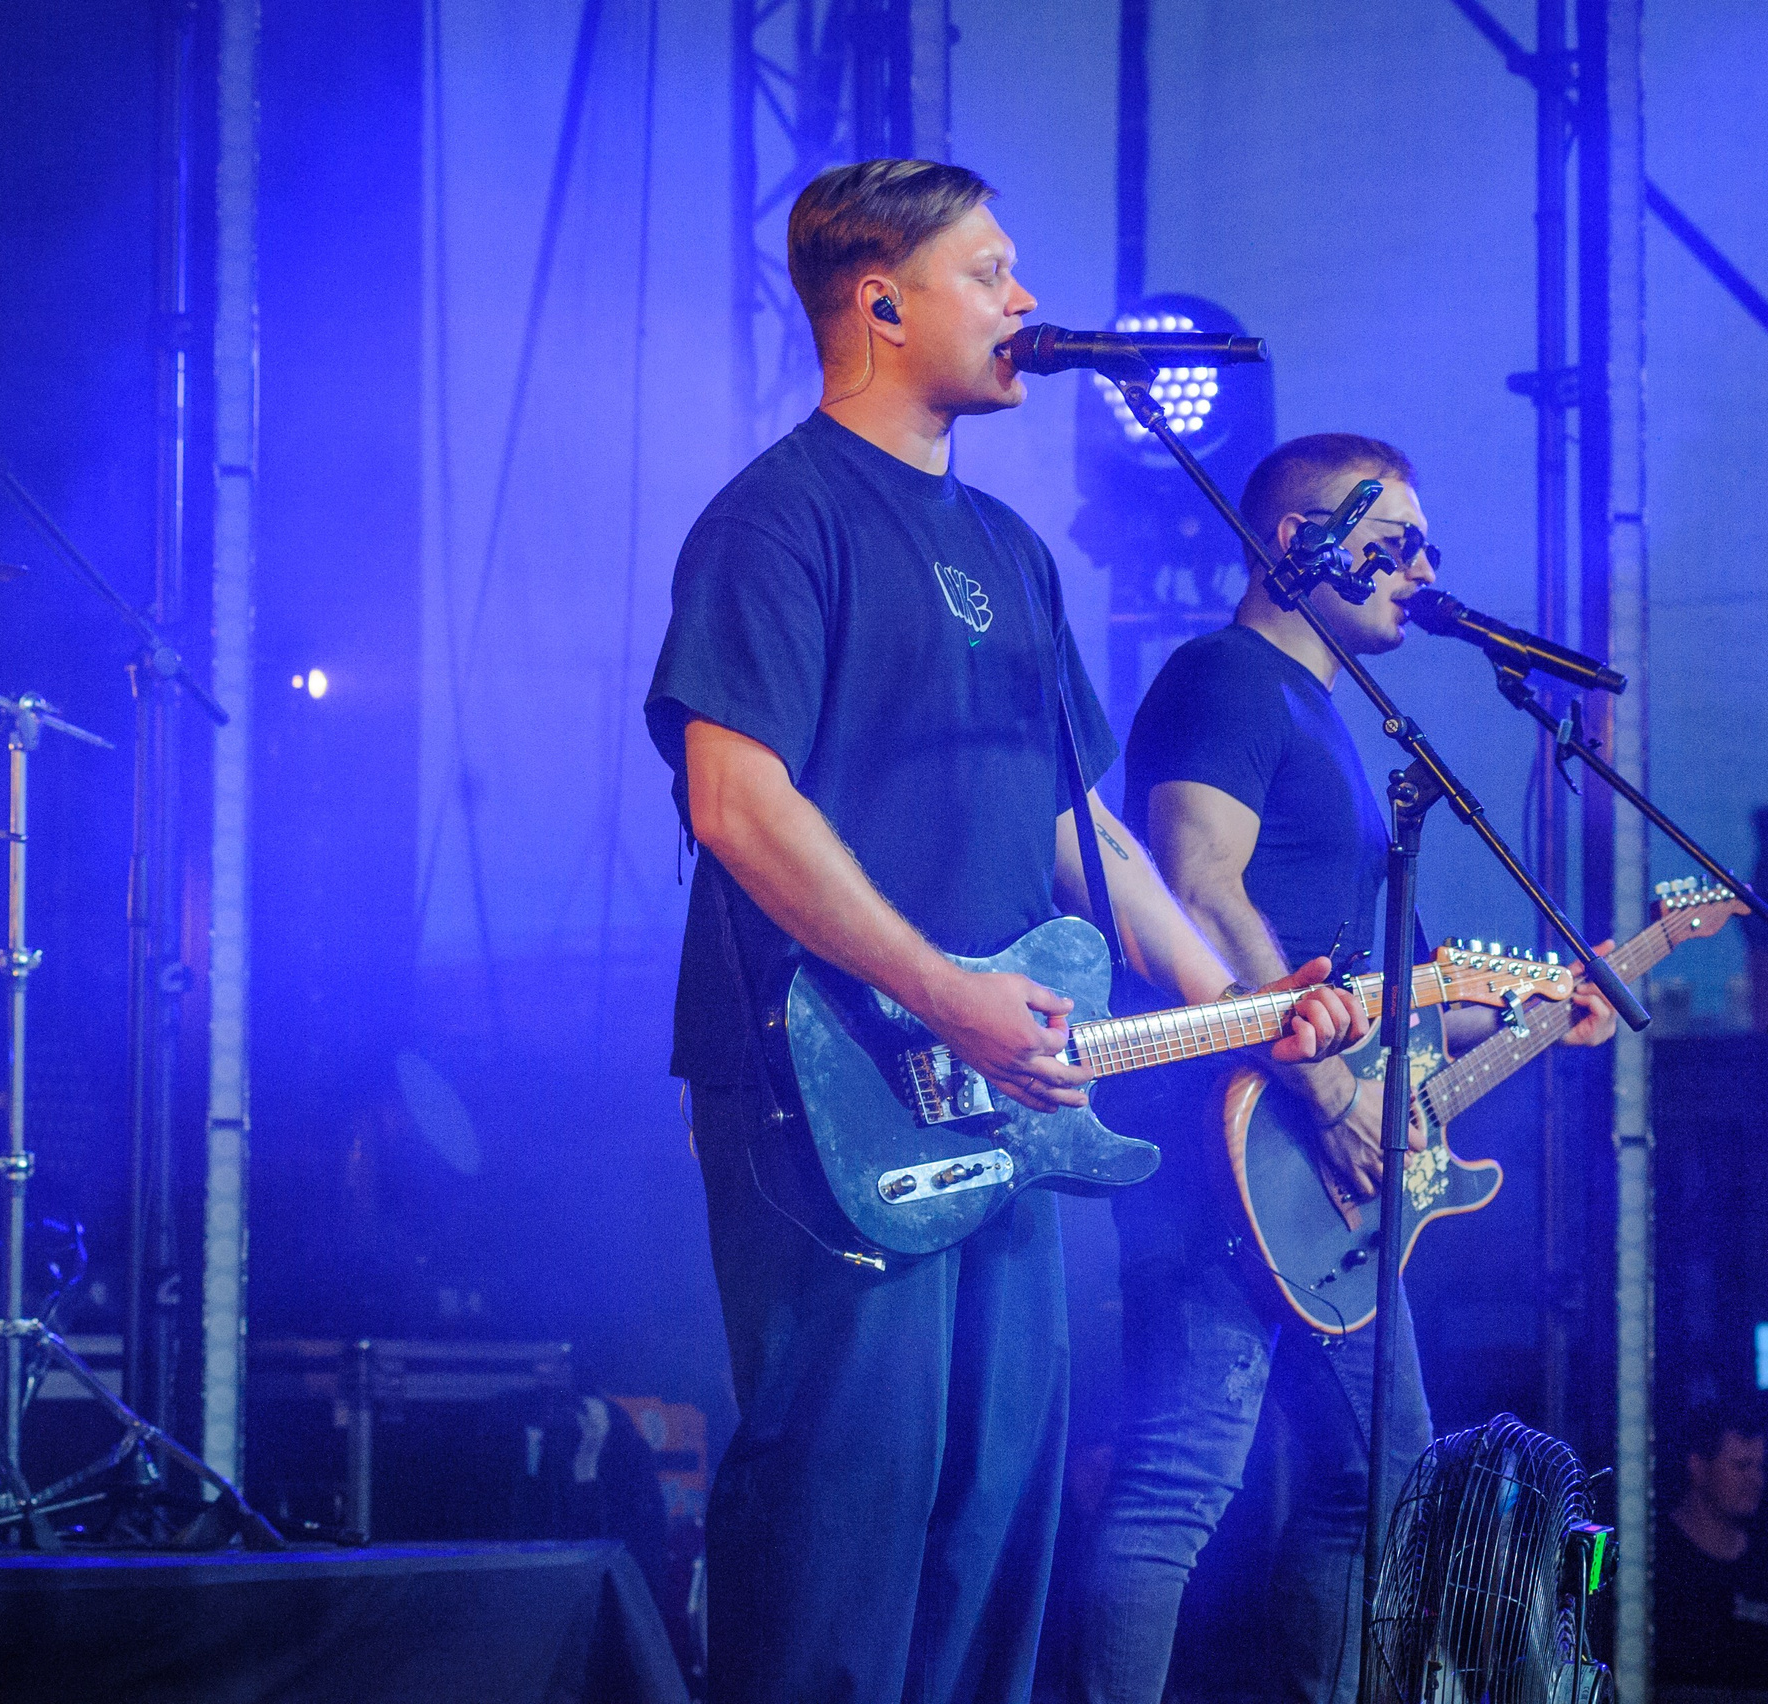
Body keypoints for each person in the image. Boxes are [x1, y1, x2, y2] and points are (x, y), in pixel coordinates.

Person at [643, 160, 1368, 1704]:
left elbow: (1078, 831)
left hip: (1004, 1094)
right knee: (848, 1498)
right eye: (989, 270)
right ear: (882, 301)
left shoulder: (1010, 550)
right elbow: (735, 802)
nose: (1026, 300)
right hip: (832, 1081)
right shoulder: (776, 519)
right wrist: (939, 992)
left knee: (994, 1506)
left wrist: (1246, 1002)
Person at [1071, 433, 1618, 1704]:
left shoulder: (1330, 714)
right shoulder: (1223, 678)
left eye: (1427, 548)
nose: (1421, 570)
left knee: (1376, 1483)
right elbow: (1195, 887)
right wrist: (1322, 1091)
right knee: (1180, 1482)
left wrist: (1539, 1011)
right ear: (1296, 542)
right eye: (1393, 544)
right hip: (1229, 1143)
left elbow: (1396, 1009)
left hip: (1316, 1168)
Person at [1653, 1400, 1768, 1702]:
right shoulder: (1655, 1559)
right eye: (1741, 1466)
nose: (1755, 1480)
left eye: (1760, 1467)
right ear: (1698, 1467)